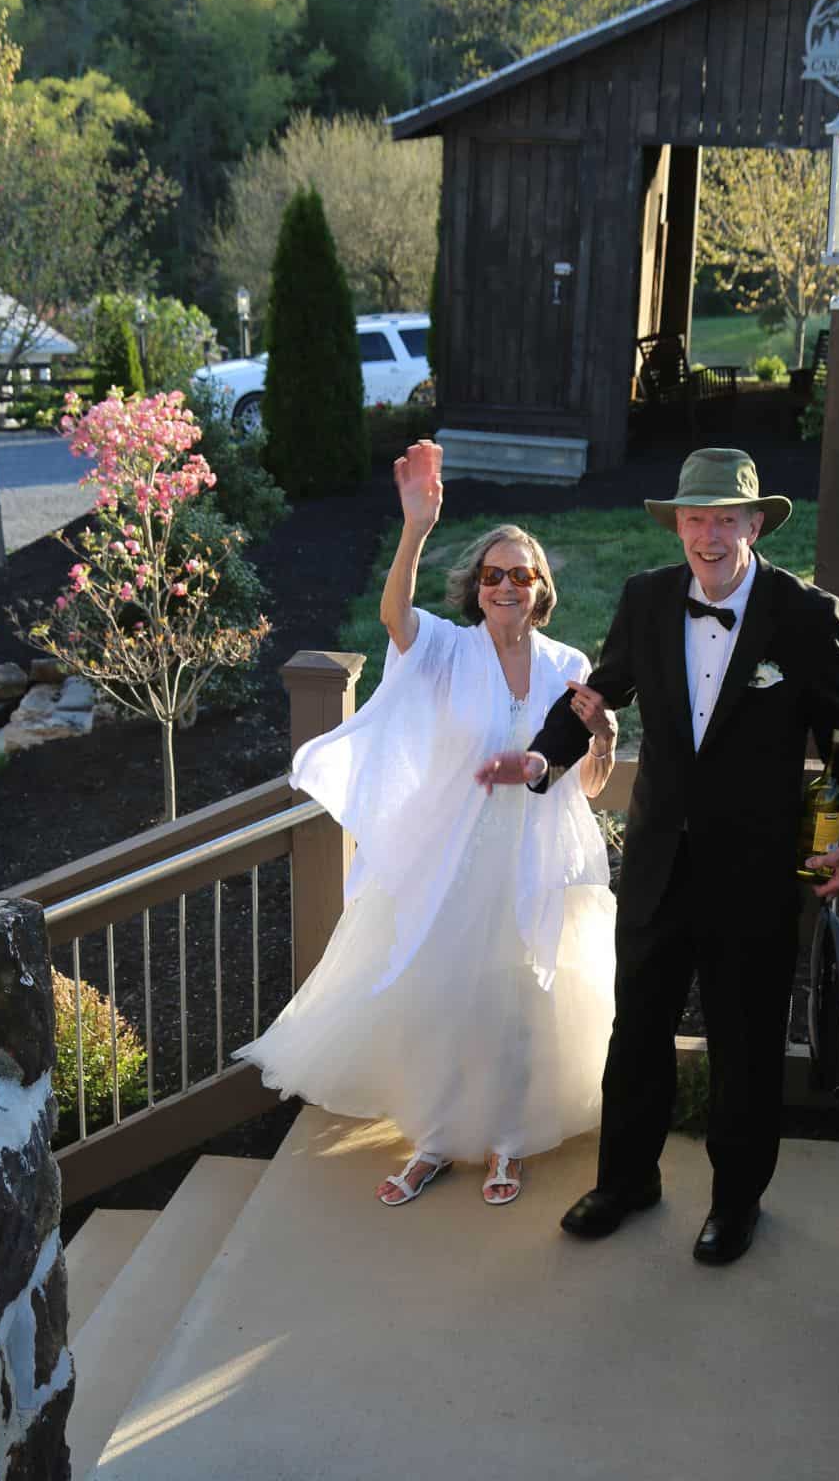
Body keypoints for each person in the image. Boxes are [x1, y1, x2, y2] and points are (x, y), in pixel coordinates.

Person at [477, 446, 839, 1266]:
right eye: (693, 518)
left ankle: (736, 1203)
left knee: (745, 1040)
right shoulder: (646, 598)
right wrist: (541, 757)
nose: (707, 534)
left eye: (724, 518)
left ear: (755, 523)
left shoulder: (802, 613)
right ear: (677, 526)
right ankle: (626, 1181)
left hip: (758, 866)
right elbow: (599, 692)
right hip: (661, 857)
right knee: (638, 1030)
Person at [235, 439, 618, 1207]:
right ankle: (437, 1142)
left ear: (540, 589)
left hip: (537, 859)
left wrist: (603, 734)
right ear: (476, 589)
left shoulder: (569, 664)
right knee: (442, 1001)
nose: (507, 585)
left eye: (522, 574)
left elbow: (592, 787)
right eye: (493, 574)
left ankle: (508, 1143)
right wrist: (414, 526)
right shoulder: (444, 650)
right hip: (451, 858)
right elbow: (392, 614)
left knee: (521, 1008)